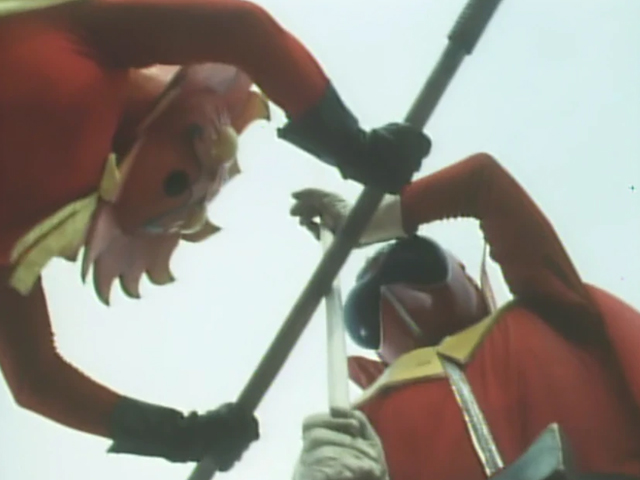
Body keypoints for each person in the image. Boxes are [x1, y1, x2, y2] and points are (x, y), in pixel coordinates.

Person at [0, 0, 431, 471]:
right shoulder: (75, 40)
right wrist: (351, 146)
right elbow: (239, 29)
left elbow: (35, 378)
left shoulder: (19, 245)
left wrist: (180, 435)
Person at [289, 152, 640, 479]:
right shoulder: (363, 425)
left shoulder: (549, 309)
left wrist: (368, 222)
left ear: (467, 276)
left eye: (413, 263)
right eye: (364, 309)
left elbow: (482, 183)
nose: (390, 292)